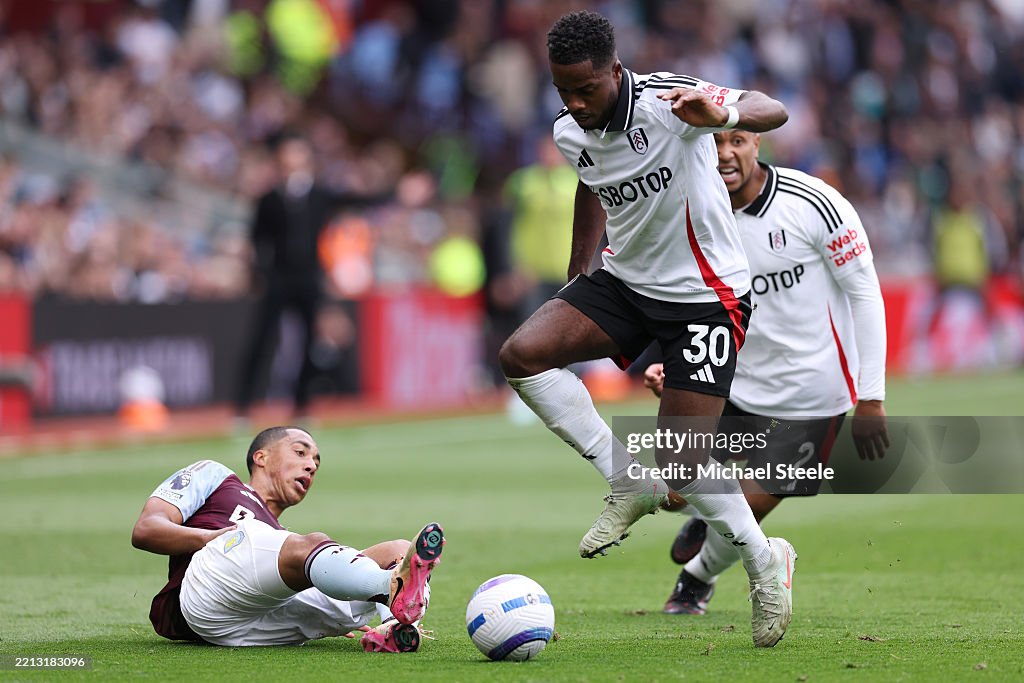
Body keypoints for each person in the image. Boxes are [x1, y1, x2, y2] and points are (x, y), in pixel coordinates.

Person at [498, 10, 793, 647]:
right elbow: (591, 181)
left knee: (682, 470)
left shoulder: (668, 102)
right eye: (563, 91)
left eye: (586, 89)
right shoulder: (568, 130)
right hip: (627, 283)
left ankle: (764, 560)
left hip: (706, 298)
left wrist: (722, 114)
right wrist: (579, 267)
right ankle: (624, 478)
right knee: (522, 355)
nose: (575, 104)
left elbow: (772, 110)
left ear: (614, 70)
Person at [642, 129, 889, 615]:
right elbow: (684, 301)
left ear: (757, 142)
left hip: (813, 398)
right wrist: (677, 367)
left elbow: (864, 292)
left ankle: (695, 580)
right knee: (670, 493)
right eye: (714, 142)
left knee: (744, 513)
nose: (725, 153)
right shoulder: (690, 212)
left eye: (736, 140)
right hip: (732, 383)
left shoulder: (815, 203)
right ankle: (703, 511)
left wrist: (872, 397)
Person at [131, 425, 444, 652]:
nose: (311, 465)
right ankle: (388, 588)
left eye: (316, 463)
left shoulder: (280, 540)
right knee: (303, 545)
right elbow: (146, 529)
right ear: (261, 456)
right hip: (203, 596)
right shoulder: (217, 478)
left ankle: (396, 628)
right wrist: (206, 538)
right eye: (300, 452)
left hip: (258, 622)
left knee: (398, 550)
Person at [234, 134, 383, 420]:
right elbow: (257, 240)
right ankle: (244, 406)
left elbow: (354, 200)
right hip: (278, 280)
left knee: (309, 343)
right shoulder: (269, 198)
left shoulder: (319, 195)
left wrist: (397, 194)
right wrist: (262, 273)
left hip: (308, 280)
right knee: (262, 341)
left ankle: (302, 405)